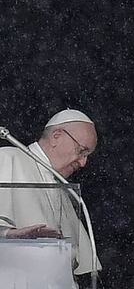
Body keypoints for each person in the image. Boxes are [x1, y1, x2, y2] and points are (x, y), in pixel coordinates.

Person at [0, 109, 101, 280]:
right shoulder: (8, 158)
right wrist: (9, 235)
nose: (83, 163)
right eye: (81, 151)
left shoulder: (64, 189)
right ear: (57, 136)